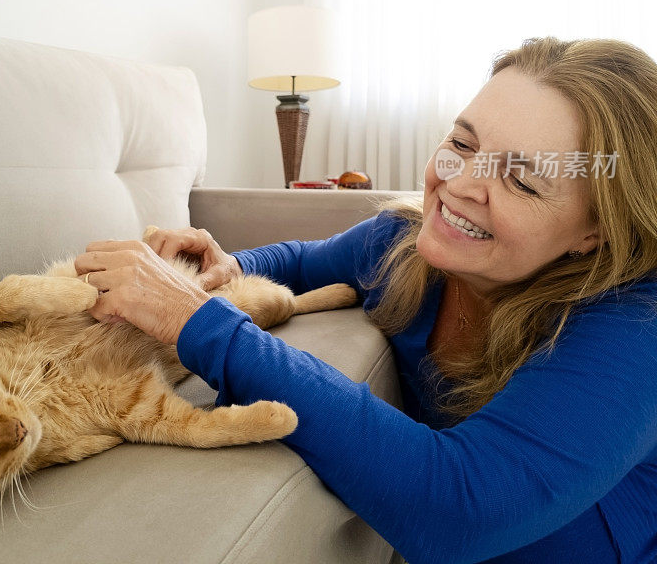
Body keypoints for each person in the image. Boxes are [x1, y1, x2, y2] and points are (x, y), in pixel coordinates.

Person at [74, 37, 657, 564]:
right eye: (462, 143)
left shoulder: (637, 327)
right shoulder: (403, 245)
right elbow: (303, 260)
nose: (458, 183)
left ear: (595, 231)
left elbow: (457, 507)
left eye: (522, 181)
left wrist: (198, 321)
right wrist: (231, 266)